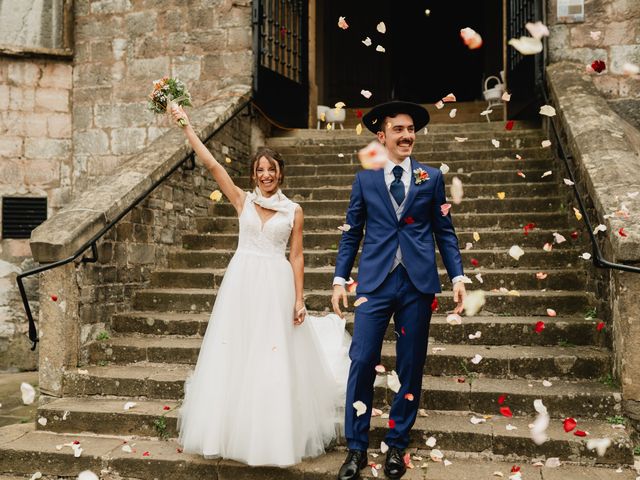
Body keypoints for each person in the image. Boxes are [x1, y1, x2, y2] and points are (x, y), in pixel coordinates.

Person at [170, 105, 350, 467]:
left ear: (280, 173)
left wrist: (299, 299)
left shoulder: (294, 210)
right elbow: (213, 166)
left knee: (272, 357)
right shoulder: (243, 201)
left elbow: (296, 256)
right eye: (260, 170)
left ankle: (271, 435)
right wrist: (187, 128)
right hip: (242, 283)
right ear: (254, 175)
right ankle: (230, 429)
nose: (266, 174)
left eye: (271, 169)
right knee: (237, 352)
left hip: (276, 285)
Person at [332, 101, 466, 480]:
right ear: (382, 135)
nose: (407, 135)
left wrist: (457, 277)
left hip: (417, 283)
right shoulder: (365, 179)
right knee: (361, 360)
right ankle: (356, 449)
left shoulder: (431, 176)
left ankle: (396, 445)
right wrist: (340, 279)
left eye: (411, 129)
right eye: (399, 129)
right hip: (374, 282)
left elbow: (445, 232)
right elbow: (351, 233)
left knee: (410, 365)